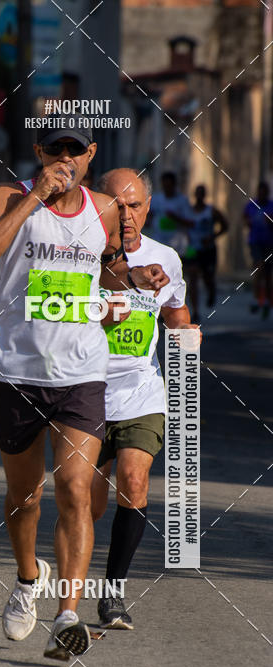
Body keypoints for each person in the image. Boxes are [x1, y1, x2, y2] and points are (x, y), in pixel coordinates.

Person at [0, 124, 169, 659]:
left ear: (90, 156)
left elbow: (106, 272)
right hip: (16, 372)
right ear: (38, 152)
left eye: (74, 150)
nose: (64, 158)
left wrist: (136, 279)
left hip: (81, 374)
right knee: (25, 498)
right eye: (54, 149)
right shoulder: (9, 197)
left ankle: (66, 616)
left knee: (77, 489)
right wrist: (36, 193)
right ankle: (29, 578)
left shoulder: (104, 210)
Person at [91, 168, 200, 629]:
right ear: (100, 204)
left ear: (149, 208)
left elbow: (176, 315)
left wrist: (187, 338)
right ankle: (55, 585)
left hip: (141, 394)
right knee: (85, 504)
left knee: (134, 482)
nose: (127, 214)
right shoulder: (81, 254)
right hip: (85, 395)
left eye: (135, 205)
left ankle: (112, 594)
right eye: (118, 204)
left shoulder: (166, 259)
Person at [185, 185, 228, 321]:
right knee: (193, 277)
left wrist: (213, 236)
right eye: (197, 193)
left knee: (207, 277)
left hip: (208, 249)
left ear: (204, 195)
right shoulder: (189, 211)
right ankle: (196, 311)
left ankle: (211, 289)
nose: (199, 196)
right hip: (193, 249)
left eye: (201, 194)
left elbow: (225, 225)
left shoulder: (211, 211)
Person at [243, 181, 273, 318]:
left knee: (267, 273)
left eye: (264, 192)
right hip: (255, 242)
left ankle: (266, 300)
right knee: (259, 268)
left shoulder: (271, 205)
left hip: (269, 242)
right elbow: (245, 218)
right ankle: (257, 299)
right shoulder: (251, 205)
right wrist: (248, 222)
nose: (262, 194)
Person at [147, 171, 194, 257]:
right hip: (158, 242)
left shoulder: (182, 201)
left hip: (176, 245)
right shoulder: (156, 199)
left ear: (174, 185)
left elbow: (190, 223)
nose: (167, 188)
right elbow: (148, 217)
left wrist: (175, 218)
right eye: (165, 186)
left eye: (169, 186)